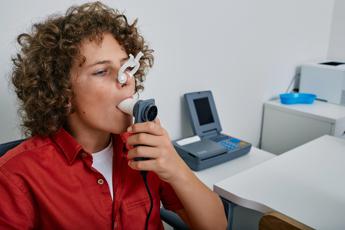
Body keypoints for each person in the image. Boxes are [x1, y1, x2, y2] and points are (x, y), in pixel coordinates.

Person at [0, 2, 227, 229]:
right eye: (101, 71)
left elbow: (217, 226)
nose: (126, 80)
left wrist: (176, 168)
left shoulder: (145, 149)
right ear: (62, 93)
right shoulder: (16, 175)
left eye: (127, 68)